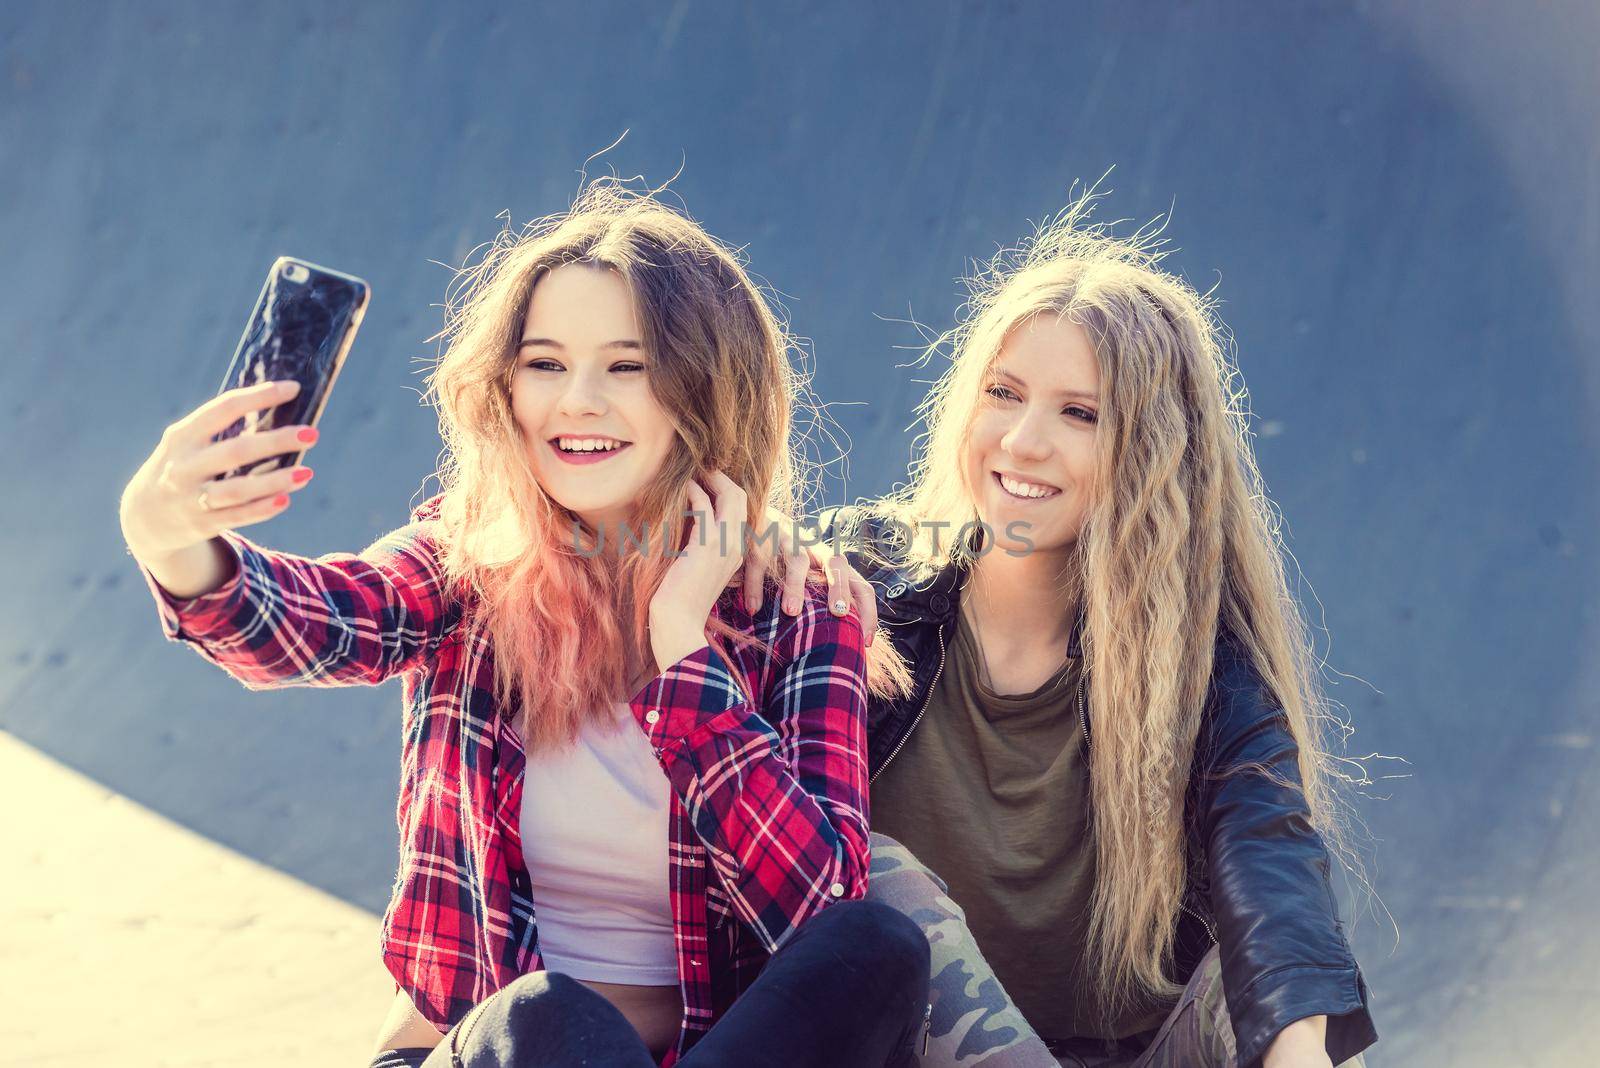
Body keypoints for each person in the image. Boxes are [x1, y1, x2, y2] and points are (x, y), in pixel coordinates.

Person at [118, 182, 928, 1067]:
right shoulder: (467, 568)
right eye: (544, 363)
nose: (576, 400)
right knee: (549, 1015)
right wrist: (170, 538)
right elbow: (304, 624)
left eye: (627, 366)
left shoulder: (799, 610)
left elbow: (813, 910)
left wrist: (683, 647)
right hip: (492, 1049)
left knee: (874, 950)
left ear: (705, 391)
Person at [747, 192, 1378, 1068]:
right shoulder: (863, 577)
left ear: (1153, 450)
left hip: (1138, 1054)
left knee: (1267, 980)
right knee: (881, 881)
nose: (1024, 440)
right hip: (910, 1054)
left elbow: (1271, 865)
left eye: (1080, 414)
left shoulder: (1201, 665)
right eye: (1003, 394)